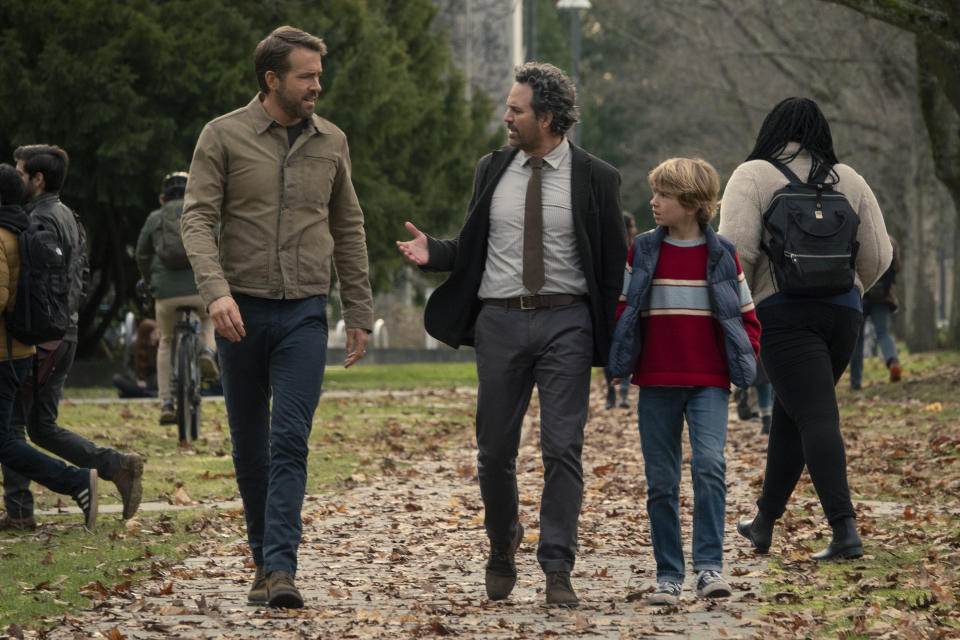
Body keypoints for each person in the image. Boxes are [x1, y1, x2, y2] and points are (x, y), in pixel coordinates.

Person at [397, 62, 626, 607]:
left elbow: (612, 267)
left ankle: (557, 567)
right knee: (493, 450)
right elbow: (473, 243)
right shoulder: (491, 169)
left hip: (566, 320)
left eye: (516, 109)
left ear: (547, 117)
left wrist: (617, 341)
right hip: (498, 320)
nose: (506, 117)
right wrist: (438, 253)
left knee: (562, 447)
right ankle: (503, 543)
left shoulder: (598, 177)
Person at [180, 26, 373, 609]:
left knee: (289, 437)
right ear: (272, 80)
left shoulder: (332, 140)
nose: (318, 84)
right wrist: (215, 293)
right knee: (249, 444)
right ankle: (263, 559)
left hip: (305, 314)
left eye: (318, 74)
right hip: (240, 311)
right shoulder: (223, 136)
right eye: (306, 75)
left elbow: (349, 226)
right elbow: (196, 220)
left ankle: (283, 569)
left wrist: (358, 309)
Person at [717, 97, 891, 561]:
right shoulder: (849, 178)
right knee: (795, 415)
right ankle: (763, 522)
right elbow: (880, 254)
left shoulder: (752, 175)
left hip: (784, 314)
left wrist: (743, 309)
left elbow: (736, 252)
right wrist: (850, 288)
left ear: (772, 129)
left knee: (813, 414)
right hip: (843, 316)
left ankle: (844, 529)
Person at [607, 157, 760, 605]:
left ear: (693, 203)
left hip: (709, 381)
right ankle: (668, 576)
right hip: (655, 380)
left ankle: (709, 567)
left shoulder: (722, 254)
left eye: (664, 195)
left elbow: (747, 317)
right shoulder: (644, 250)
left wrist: (744, 357)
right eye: (654, 193)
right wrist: (622, 355)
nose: (653, 202)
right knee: (661, 480)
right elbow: (624, 309)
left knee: (710, 466)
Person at [1, 146, 143, 530]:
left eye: (20, 172)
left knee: (12, 424)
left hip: (41, 336)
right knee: (42, 426)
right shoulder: (70, 216)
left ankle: (18, 511)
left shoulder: (37, 220)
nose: (16, 178)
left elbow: (32, 287)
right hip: (67, 332)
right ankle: (115, 465)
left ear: (38, 179)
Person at [0, 163, 98, 531]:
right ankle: (23, 509)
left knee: (10, 440)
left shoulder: (4, 235)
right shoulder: (30, 228)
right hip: (24, 349)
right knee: (13, 434)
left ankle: (75, 481)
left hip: (5, 353)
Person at [135, 172, 218, 423]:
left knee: (167, 341)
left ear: (163, 197)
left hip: (166, 293)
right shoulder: (203, 214)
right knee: (208, 319)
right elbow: (220, 243)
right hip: (199, 287)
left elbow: (141, 253)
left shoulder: (155, 218)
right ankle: (205, 352)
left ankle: (167, 402)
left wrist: (148, 278)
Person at [849, 234, 901, 389]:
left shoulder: (858, 239)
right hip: (883, 297)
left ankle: (856, 381)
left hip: (861, 295)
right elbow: (897, 267)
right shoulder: (891, 241)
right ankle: (892, 362)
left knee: (857, 339)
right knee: (883, 333)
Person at [604, 212, 636, 409]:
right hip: (613, 306)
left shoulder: (638, 248)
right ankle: (611, 390)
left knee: (626, 348)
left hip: (630, 307)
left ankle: (623, 392)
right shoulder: (614, 251)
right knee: (612, 350)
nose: (634, 229)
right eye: (630, 225)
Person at [112, 319, 159, 399]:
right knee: (117, 378)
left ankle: (137, 393)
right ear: (146, 335)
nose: (156, 337)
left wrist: (147, 382)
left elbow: (157, 372)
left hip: (151, 383)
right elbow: (127, 368)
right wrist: (137, 381)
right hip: (136, 382)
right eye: (153, 334)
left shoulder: (158, 348)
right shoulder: (133, 347)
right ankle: (146, 394)